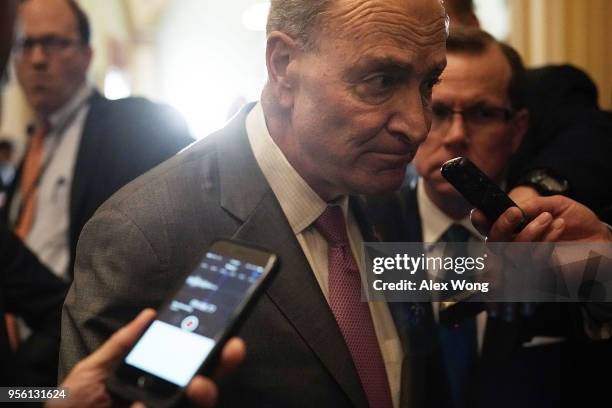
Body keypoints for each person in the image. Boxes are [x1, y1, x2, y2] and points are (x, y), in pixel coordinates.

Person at [60, 1, 611, 407]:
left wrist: (600, 267)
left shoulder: (387, 200)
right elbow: (57, 392)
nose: (418, 125)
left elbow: (523, 280)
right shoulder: (149, 231)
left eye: (426, 84)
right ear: (282, 65)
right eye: (380, 80)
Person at [365, 27, 599, 408]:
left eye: (483, 113)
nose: (457, 135)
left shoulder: (564, 230)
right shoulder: (358, 223)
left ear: (517, 129)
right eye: (438, 111)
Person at [1, 0, 193, 385]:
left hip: (80, 355)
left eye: (55, 43)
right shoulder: (30, 149)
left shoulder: (130, 126)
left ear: (88, 55)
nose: (37, 60)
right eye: (25, 45)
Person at [444, 0, 612, 220]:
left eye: (437, 28)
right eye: (439, 112)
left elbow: (591, 136)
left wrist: (532, 191)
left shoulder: (546, 90)